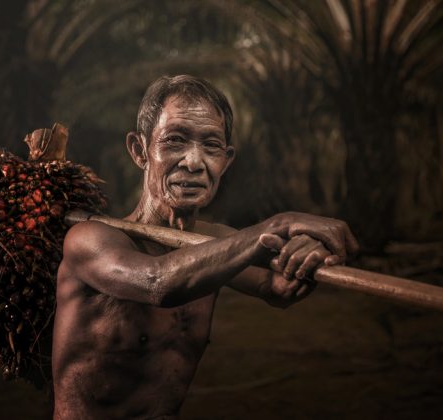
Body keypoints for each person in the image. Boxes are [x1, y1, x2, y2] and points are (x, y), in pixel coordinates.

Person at [52, 75, 359, 419]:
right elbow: (158, 282)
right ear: (140, 151)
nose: (194, 162)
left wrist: (305, 254)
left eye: (211, 146)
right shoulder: (90, 240)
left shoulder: (218, 243)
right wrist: (279, 225)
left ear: (226, 161)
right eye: (175, 140)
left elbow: (276, 286)